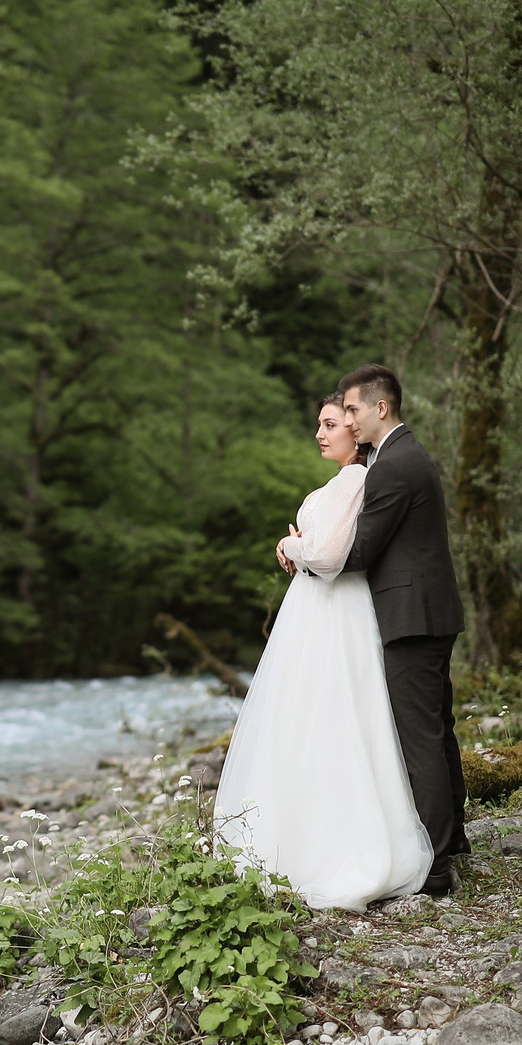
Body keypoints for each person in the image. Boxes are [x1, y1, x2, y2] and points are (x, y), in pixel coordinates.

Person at [209, 398, 434, 909]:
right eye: (318, 425)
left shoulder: (356, 480)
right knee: (303, 715)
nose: (320, 433)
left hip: (335, 609)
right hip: (314, 607)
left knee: (335, 715)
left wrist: (292, 548)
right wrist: (303, 552)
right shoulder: (338, 484)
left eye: (330, 424)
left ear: (356, 432)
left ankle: (334, 845)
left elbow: (331, 557)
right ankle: (295, 835)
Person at [337, 363, 471, 895]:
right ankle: (453, 839)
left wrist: (302, 551)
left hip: (412, 618)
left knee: (419, 739)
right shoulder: (402, 455)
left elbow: (362, 548)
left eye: (352, 409)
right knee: (438, 731)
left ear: (379, 407)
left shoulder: (394, 465)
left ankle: (436, 868)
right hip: (430, 613)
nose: (348, 420)